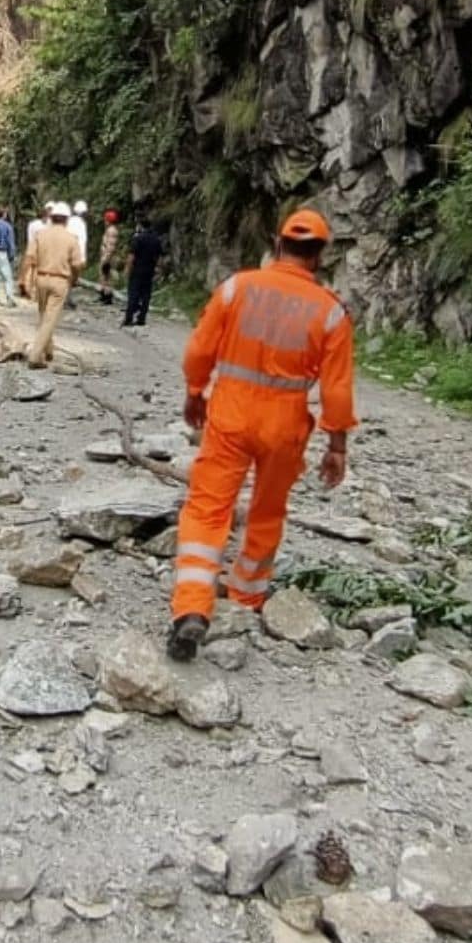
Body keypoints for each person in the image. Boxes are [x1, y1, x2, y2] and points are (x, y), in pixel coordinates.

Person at [167, 208, 357, 662]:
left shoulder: (237, 288)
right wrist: (336, 446)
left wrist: (195, 391)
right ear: (320, 255)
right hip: (284, 426)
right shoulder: (331, 313)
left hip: (230, 416)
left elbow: (199, 350)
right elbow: (337, 388)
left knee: (208, 509)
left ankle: (192, 608)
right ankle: (246, 597)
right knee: (268, 512)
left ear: (278, 244)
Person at [22, 202, 83, 368]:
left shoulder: (40, 235)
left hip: (41, 278)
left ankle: (48, 351)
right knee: (49, 319)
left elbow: (29, 258)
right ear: (66, 220)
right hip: (60, 281)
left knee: (43, 316)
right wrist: (74, 278)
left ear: (51, 217)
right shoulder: (71, 239)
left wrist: (23, 280)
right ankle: (35, 356)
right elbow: (77, 264)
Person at [121, 215, 164, 327]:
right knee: (146, 295)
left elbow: (132, 256)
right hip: (149, 270)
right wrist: (158, 269)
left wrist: (127, 269)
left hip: (137, 270)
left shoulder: (138, 238)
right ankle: (141, 318)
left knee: (133, 293)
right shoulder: (156, 239)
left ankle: (129, 318)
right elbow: (159, 257)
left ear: (140, 226)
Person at [21, 200, 53, 297]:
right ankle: (35, 292)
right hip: (42, 249)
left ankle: (28, 289)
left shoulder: (32, 224)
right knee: (37, 271)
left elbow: (29, 237)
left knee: (28, 270)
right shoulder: (48, 226)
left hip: (31, 247)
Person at [97, 210, 121, 304]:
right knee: (103, 276)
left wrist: (107, 259)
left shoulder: (111, 231)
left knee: (107, 276)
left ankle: (107, 297)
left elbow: (111, 246)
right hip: (105, 255)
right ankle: (103, 295)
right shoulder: (109, 229)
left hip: (108, 257)